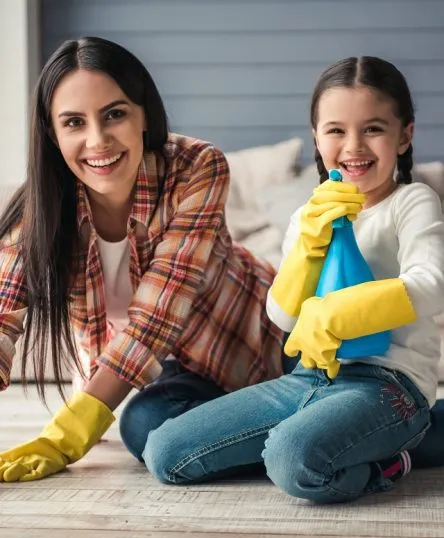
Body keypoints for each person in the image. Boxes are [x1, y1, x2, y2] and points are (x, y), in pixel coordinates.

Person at [133, 56, 444, 503]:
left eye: (373, 128)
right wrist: (307, 247)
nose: (353, 146)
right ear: (317, 138)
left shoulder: (411, 202)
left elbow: (432, 282)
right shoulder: (307, 216)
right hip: (307, 378)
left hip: (389, 386)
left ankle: (390, 458)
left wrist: (336, 313)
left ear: (405, 135)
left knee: (291, 459)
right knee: (164, 452)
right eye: (336, 130)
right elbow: (282, 314)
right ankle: (328, 441)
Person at [0, 36, 294, 482]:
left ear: (143, 115)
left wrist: (72, 429)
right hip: (179, 375)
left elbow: (158, 314)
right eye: (74, 122)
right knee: (145, 426)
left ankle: (328, 420)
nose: (97, 141)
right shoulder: (39, 211)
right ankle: (310, 425)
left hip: (269, 343)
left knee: (155, 428)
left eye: (114, 114)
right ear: (53, 134)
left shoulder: (197, 167)